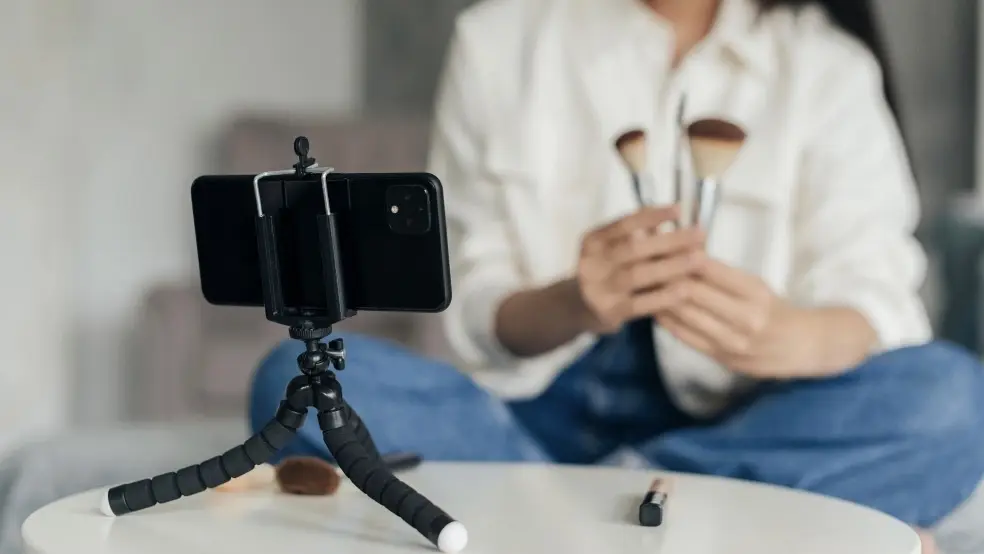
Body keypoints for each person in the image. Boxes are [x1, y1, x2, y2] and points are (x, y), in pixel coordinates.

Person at [249, 0, 984, 551]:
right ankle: (676, 524)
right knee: (303, 381)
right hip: (524, 426)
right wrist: (573, 301)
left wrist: (794, 335)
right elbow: (474, 303)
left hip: (747, 423)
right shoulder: (499, 38)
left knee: (953, 400)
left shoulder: (829, 65)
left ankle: (568, 521)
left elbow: (880, 299)